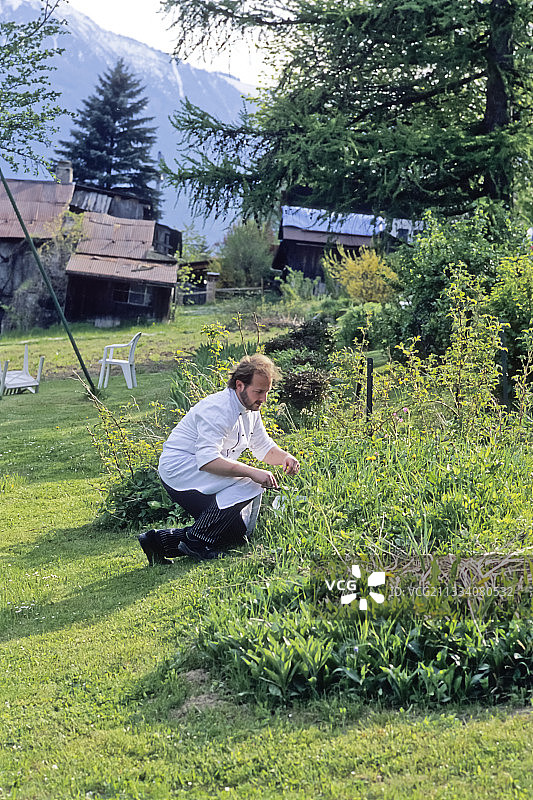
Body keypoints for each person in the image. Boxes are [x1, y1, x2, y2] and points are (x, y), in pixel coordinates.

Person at [138, 353, 300, 564]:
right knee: (250, 481)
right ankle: (196, 541)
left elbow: (262, 447)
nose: (264, 399)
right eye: (259, 392)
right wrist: (252, 472)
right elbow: (207, 460)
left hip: (200, 470)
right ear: (240, 385)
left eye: (266, 392)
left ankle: (157, 541)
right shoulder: (219, 409)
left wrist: (285, 457)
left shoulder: (250, 409)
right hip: (180, 469)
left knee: (235, 534)